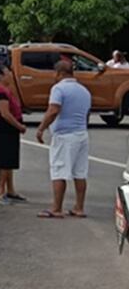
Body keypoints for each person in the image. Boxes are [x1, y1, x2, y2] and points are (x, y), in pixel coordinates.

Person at [36, 60, 92, 219]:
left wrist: (41, 128)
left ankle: (56, 207)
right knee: (80, 172)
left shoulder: (58, 89)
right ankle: (79, 207)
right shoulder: (84, 90)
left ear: (60, 73)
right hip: (81, 134)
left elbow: (53, 110)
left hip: (64, 135)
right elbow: (87, 114)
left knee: (59, 170)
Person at [0, 66, 28, 204]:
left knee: (10, 161)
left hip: (10, 130)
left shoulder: (5, 89)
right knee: (4, 161)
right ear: (0, 76)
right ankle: (0, 191)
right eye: (7, 73)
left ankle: (10, 189)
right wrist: (20, 126)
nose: (10, 74)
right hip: (5, 130)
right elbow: (5, 113)